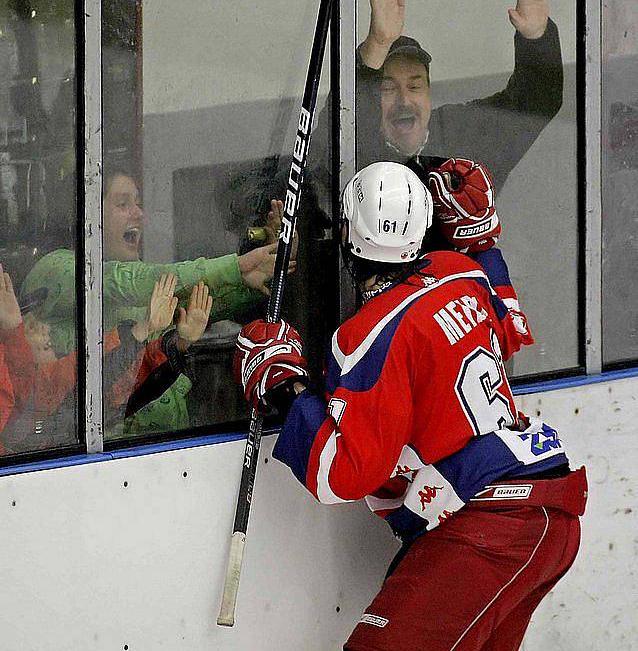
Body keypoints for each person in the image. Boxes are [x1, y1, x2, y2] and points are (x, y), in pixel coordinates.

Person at [233, 162, 587, 651]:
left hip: (489, 526)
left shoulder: (365, 337)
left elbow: (345, 473)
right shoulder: (462, 272)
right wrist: (479, 237)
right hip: (544, 510)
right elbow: (510, 328)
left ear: (346, 241)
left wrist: (286, 386)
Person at [20, 167, 291, 437]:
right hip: (103, 460)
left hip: (170, 451)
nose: (139, 213)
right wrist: (236, 266)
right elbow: (124, 281)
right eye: (123, 204)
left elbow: (204, 304)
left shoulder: (141, 288)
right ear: (86, 214)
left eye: (137, 203)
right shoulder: (58, 268)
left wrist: (265, 269)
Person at [310, 0, 563, 196]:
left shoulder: (461, 137)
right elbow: (333, 141)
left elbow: (534, 103)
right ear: (372, 100)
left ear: (430, 95)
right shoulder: (353, 150)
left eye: (415, 87)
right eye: (388, 89)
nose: (404, 100)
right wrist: (377, 44)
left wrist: (536, 38)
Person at [0, 264, 213, 453]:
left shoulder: (45, 399)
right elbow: (70, 385)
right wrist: (142, 330)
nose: (46, 332)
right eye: (31, 325)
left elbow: (109, 388)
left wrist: (178, 343)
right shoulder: (35, 406)